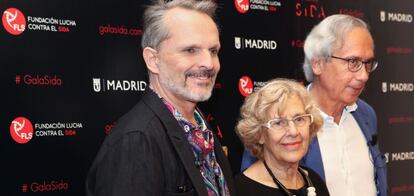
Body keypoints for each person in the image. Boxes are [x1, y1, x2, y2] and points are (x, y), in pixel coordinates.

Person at [85, 0, 234, 195]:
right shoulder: (136, 142)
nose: (209, 63)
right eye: (190, 50)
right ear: (153, 60)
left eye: (213, 51)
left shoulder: (201, 130)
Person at [241, 14, 387, 196]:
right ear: (317, 63)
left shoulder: (366, 114)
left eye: (367, 63)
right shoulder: (273, 121)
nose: (364, 75)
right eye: (353, 62)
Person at [235, 78, 329, 196]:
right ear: (260, 134)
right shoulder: (241, 190)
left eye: (299, 119)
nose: (293, 131)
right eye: (279, 123)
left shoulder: (315, 182)